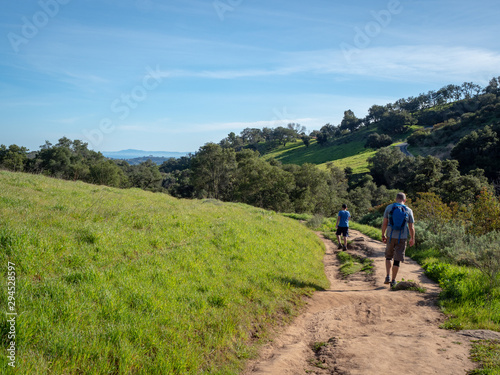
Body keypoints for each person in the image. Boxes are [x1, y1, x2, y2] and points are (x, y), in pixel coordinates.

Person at [381, 192, 415, 288]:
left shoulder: (389, 208)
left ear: (396, 199)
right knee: (397, 260)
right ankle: (393, 281)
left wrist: (383, 234)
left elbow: (384, 223)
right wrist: (412, 238)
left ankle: (387, 276)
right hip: (402, 237)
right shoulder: (408, 210)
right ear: (404, 200)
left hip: (390, 236)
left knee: (388, 256)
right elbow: (411, 227)